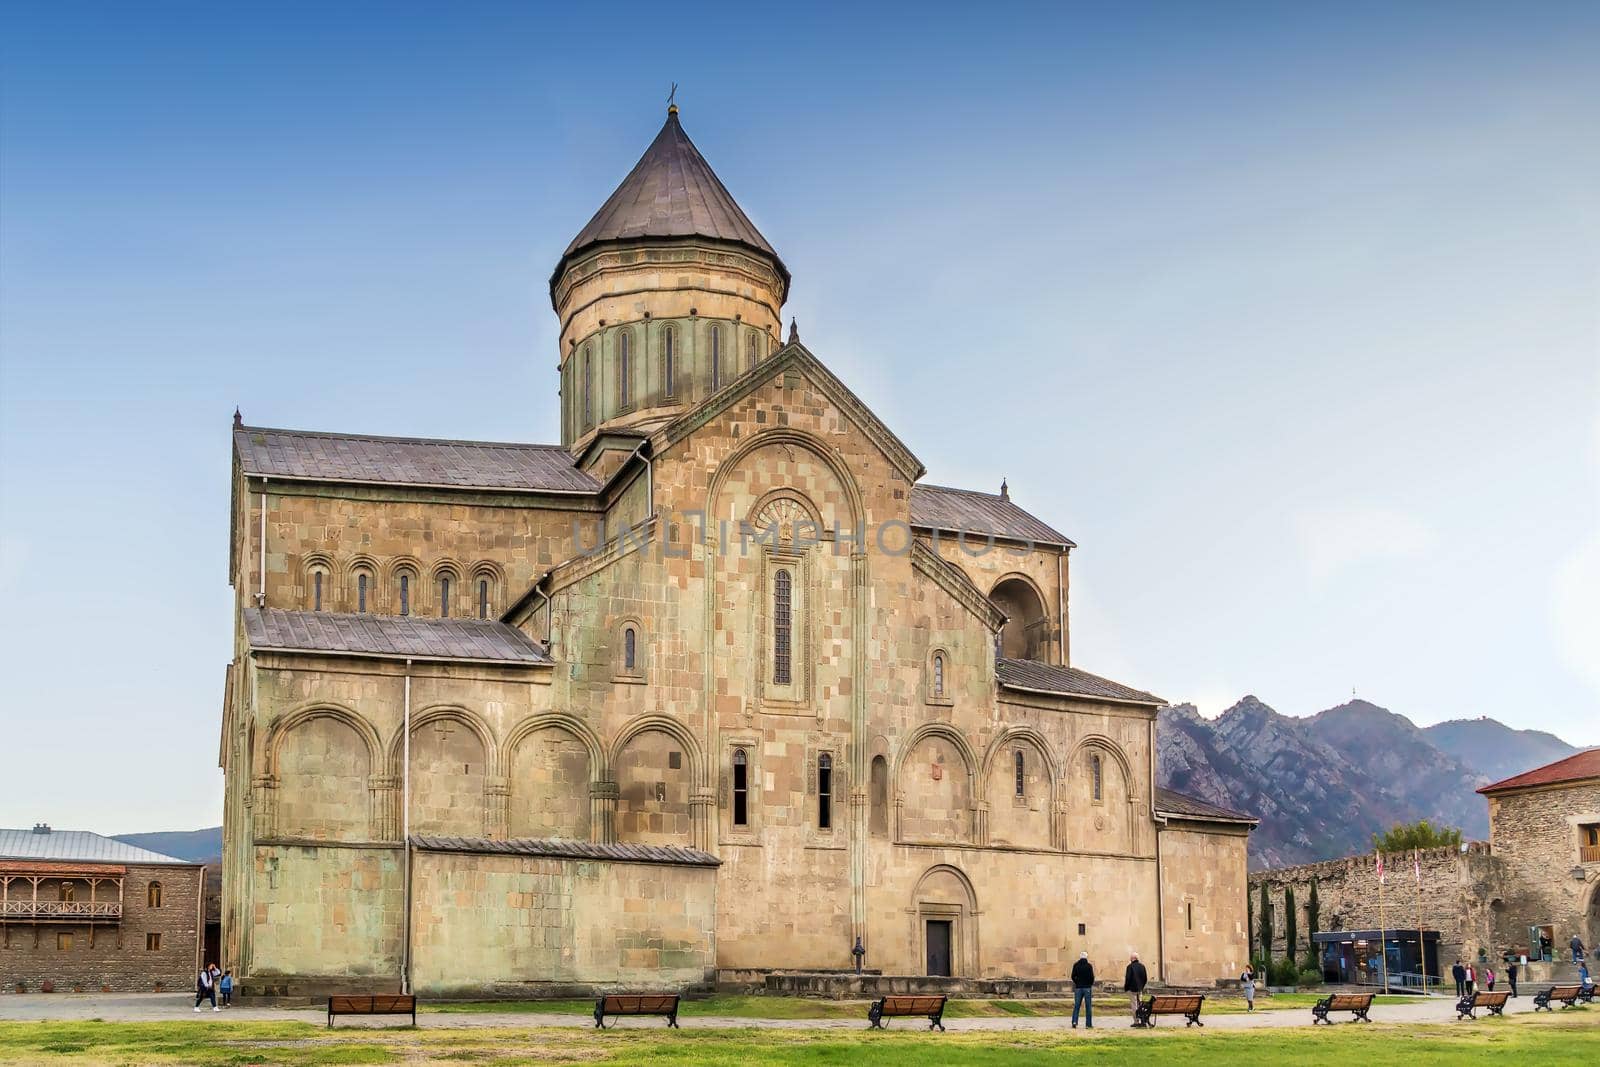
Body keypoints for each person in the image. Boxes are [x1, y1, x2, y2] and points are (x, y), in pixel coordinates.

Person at [1070, 951, 1095, 1029]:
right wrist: (1089, 984)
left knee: (1077, 1005)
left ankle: (1074, 1021)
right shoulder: (1089, 966)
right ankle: (1088, 1024)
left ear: (1080, 957)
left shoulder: (1076, 965)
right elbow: (1092, 977)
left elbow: (1073, 976)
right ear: (1086, 957)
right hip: (1087, 987)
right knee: (1088, 1006)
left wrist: (1077, 982)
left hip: (1078, 988)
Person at [1123, 952, 1147, 1024]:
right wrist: (1141, 986)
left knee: (1134, 1005)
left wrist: (1126, 988)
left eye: (1131, 958)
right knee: (1140, 1004)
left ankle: (1136, 1021)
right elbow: (1145, 978)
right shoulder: (1142, 966)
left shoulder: (1130, 967)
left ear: (1133, 958)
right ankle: (1142, 1019)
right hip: (1140, 989)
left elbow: (1128, 978)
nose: (1130, 959)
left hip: (1132, 989)